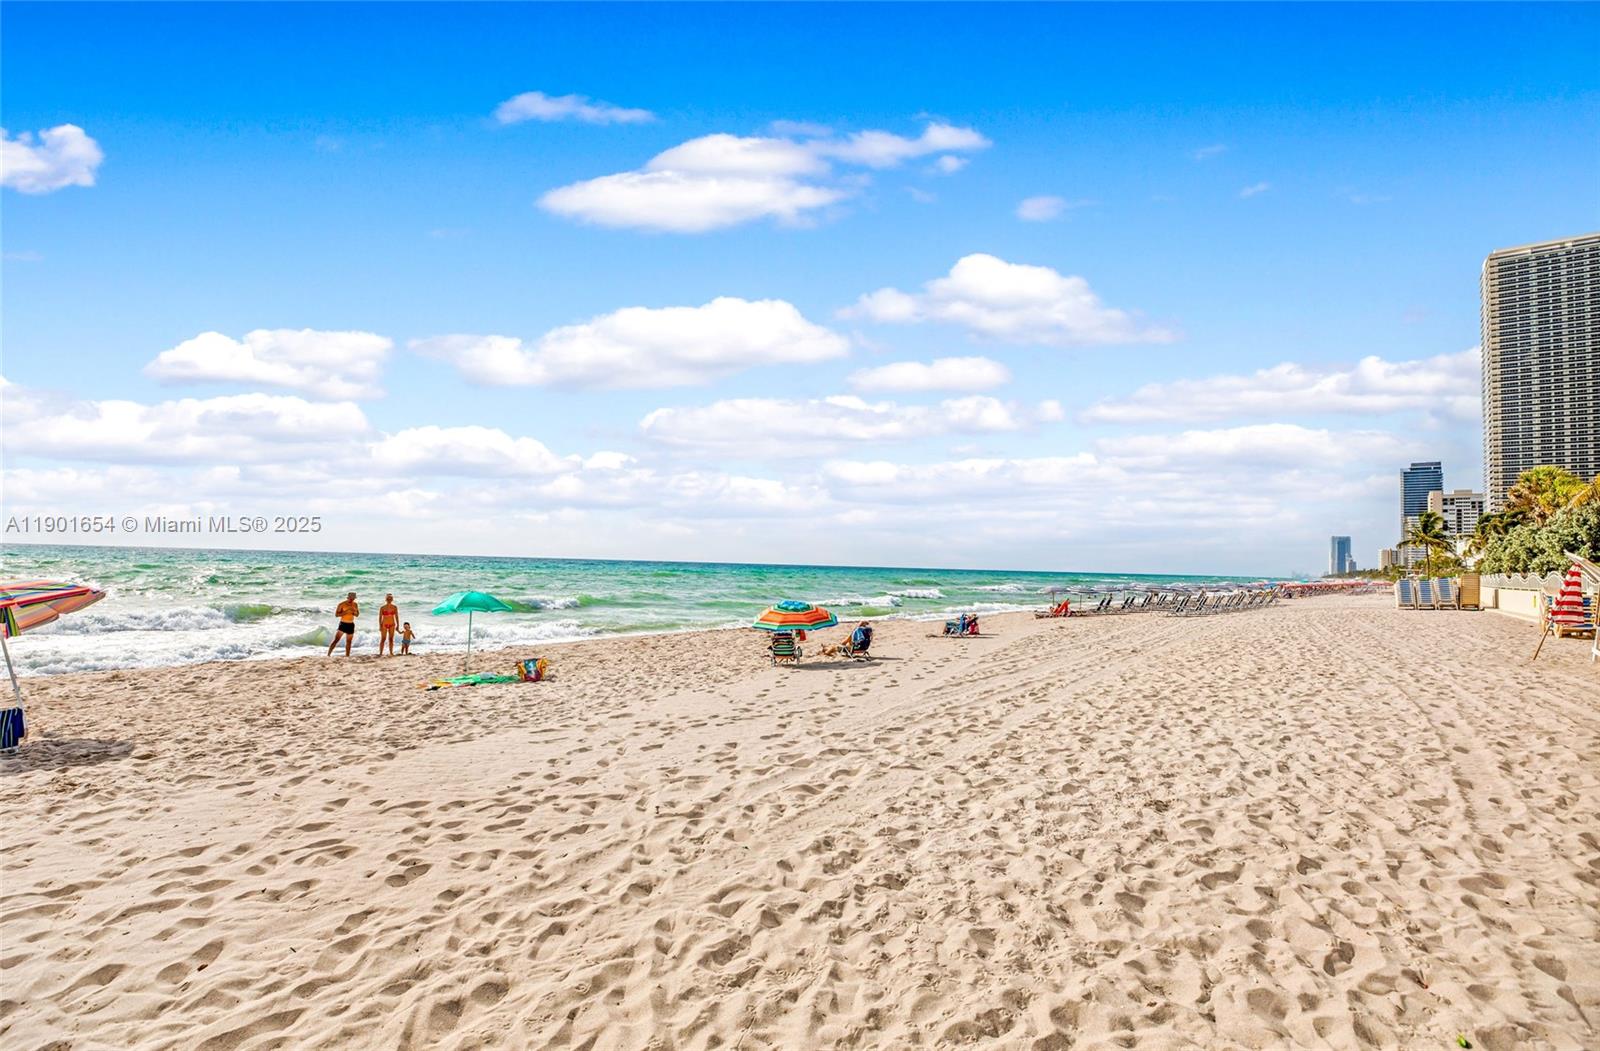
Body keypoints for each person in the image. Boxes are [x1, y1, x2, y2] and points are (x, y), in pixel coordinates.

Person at [327, 591, 358, 656]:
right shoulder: (341, 604)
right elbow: (337, 615)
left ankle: (347, 656)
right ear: (348, 597)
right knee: (336, 640)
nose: (352, 599)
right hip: (343, 624)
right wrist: (346, 612)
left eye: (353, 598)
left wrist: (353, 612)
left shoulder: (355, 604)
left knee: (349, 642)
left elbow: (357, 614)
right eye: (351, 598)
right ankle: (328, 654)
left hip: (351, 624)